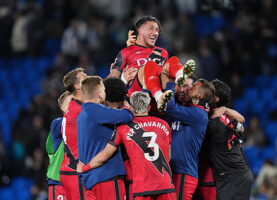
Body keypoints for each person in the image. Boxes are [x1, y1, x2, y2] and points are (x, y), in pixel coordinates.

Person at [77, 91, 177, 200]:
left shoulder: (123, 128)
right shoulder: (164, 125)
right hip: (166, 185)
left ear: (131, 107)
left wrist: (84, 168)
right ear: (148, 107)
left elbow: (104, 156)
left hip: (142, 188)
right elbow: (168, 157)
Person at [145, 61, 215, 200]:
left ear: (200, 96)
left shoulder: (198, 114)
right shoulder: (187, 109)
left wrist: (171, 82)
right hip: (172, 170)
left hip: (184, 173)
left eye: (193, 87)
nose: (188, 89)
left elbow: (169, 107)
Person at [77, 76, 133, 200]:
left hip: (90, 180)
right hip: (107, 176)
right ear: (99, 94)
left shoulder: (81, 116)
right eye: (104, 90)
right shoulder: (96, 110)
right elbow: (125, 116)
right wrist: (128, 109)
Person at [205, 79, 253, 200]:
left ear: (215, 99)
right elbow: (241, 119)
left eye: (209, 89)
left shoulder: (213, 122)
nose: (205, 90)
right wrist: (226, 110)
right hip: (237, 174)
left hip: (233, 177)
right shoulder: (225, 117)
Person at [108, 16, 168, 83]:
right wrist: (123, 80)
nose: (155, 33)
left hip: (157, 91)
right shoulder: (126, 52)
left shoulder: (163, 52)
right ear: (140, 30)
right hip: (135, 92)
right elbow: (111, 82)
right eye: (151, 28)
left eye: (157, 30)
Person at [59, 68, 88, 200]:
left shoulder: (79, 108)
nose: (88, 76)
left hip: (73, 169)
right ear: (77, 86)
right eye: (84, 76)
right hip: (75, 169)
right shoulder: (77, 110)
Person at [46, 91, 72, 200]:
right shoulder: (57, 124)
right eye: (71, 102)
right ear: (63, 107)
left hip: (77, 182)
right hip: (59, 184)